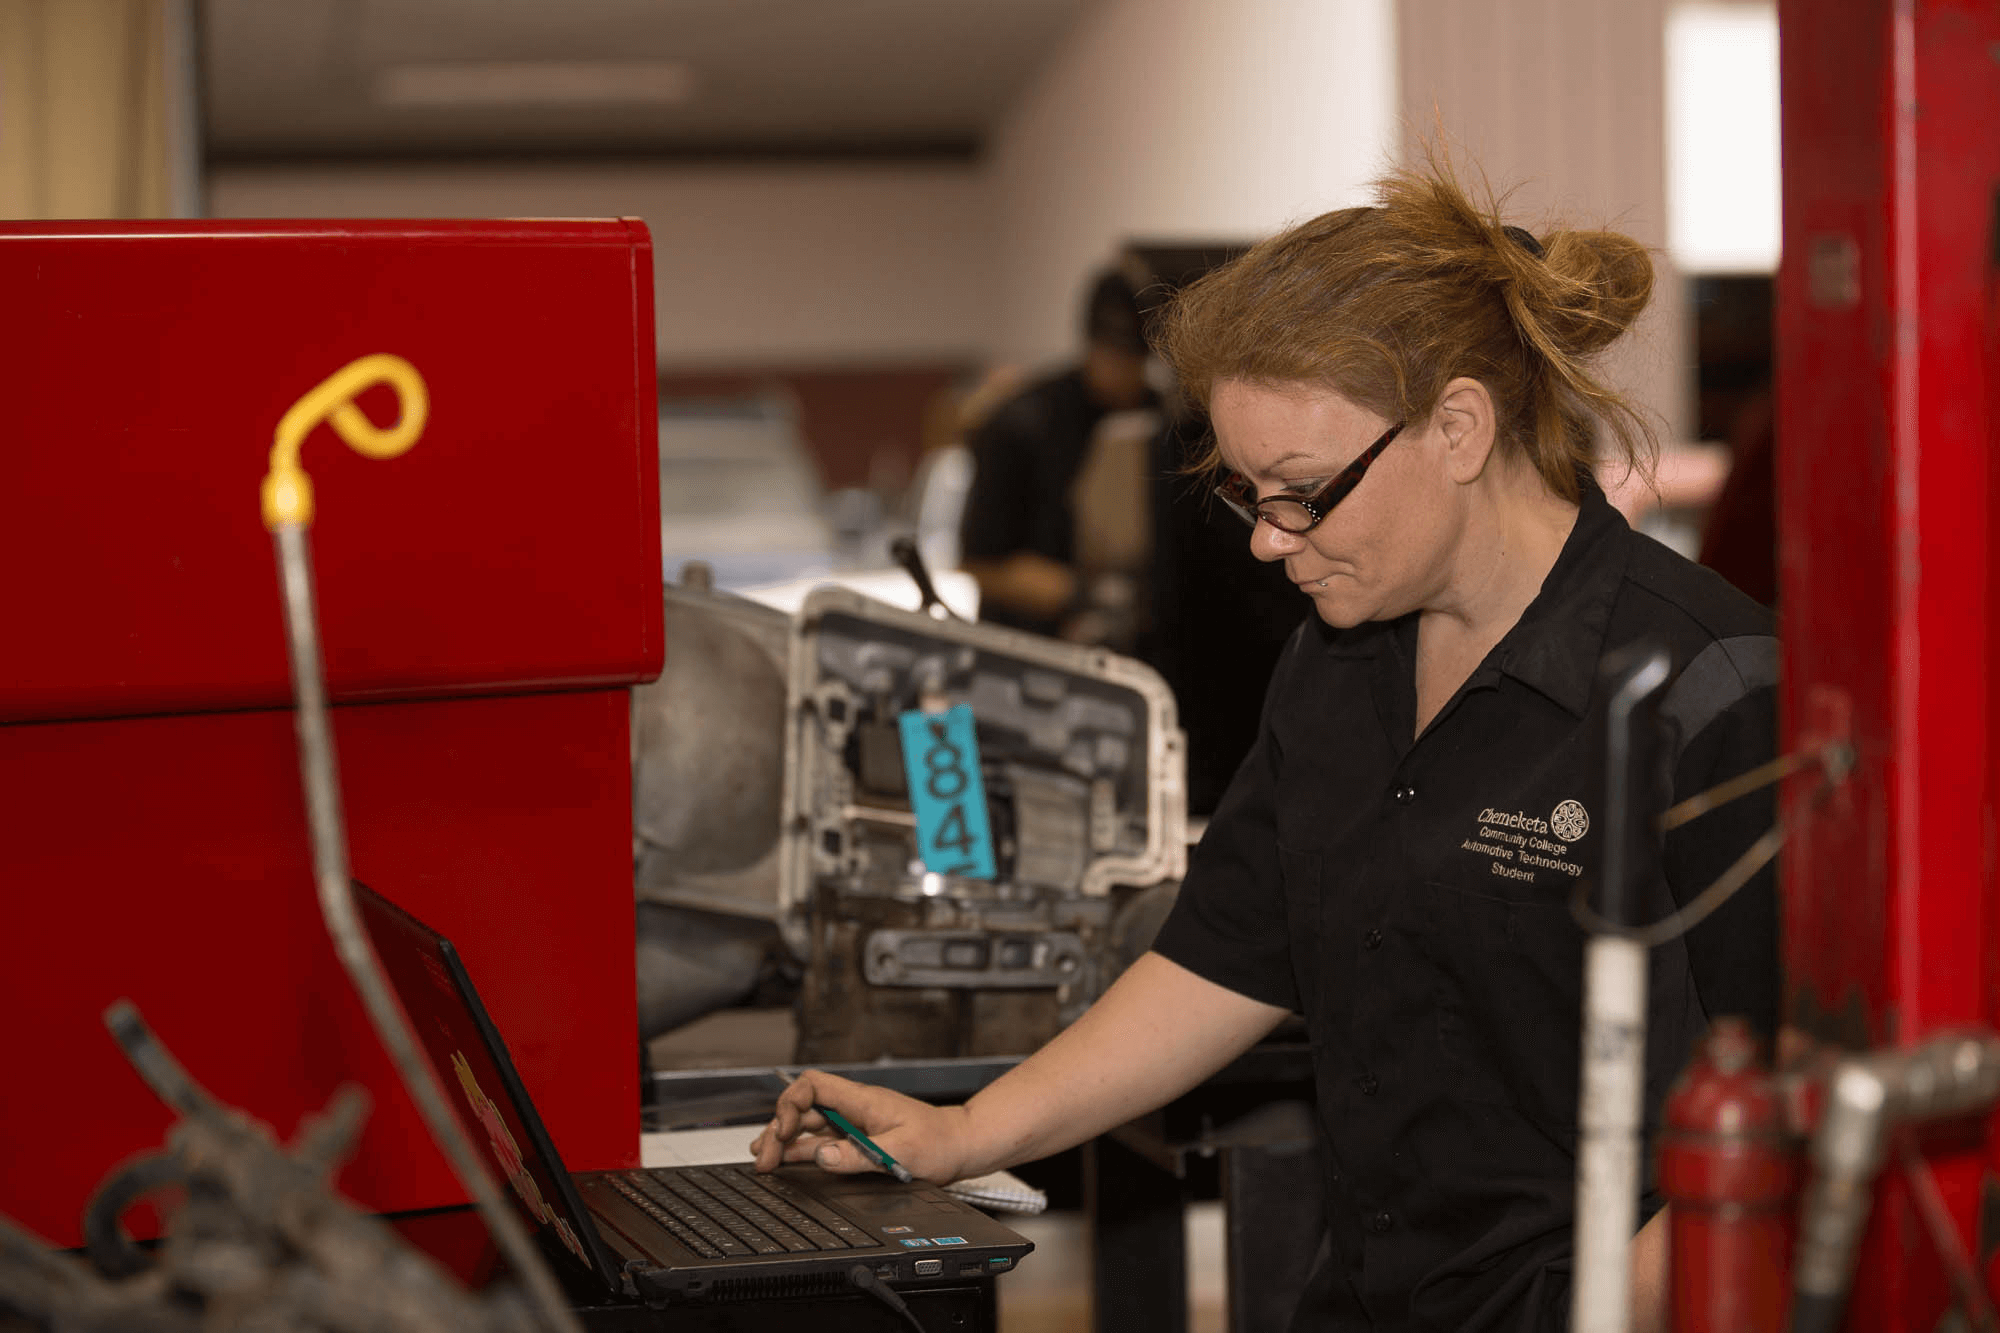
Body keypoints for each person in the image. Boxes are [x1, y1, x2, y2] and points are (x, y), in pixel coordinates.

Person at [754, 157, 1779, 1332]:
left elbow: (1783, 1112)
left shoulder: (1704, 687)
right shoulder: (1335, 665)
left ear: (1455, 425)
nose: (1267, 540)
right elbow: (1223, 957)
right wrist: (960, 1131)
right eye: (1249, 496)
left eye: (1301, 490)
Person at [957, 267, 1160, 638]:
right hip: (1030, 645)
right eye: (1116, 356)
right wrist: (1083, 592)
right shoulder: (1021, 422)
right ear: (1091, 344)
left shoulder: (1158, 413)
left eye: (1137, 360)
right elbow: (979, 563)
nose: (1127, 373)